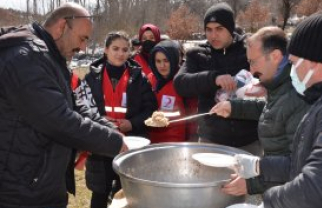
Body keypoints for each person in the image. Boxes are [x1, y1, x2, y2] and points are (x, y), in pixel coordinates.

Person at [230, 11, 322, 208]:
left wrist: (270, 201)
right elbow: (303, 163)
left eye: (294, 63)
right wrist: (258, 166)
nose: (292, 70)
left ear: (313, 60)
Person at [0, 2, 128, 208]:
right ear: (61, 27)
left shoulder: (51, 58)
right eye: (82, 38)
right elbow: (59, 120)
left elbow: (76, 104)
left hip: (41, 183)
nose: (84, 47)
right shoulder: (26, 59)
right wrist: (113, 142)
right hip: (20, 190)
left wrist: (109, 129)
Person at [210, 26, 310, 196]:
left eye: (253, 62)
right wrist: (233, 107)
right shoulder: (278, 86)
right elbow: (272, 110)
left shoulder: (296, 94)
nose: (250, 71)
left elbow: (299, 165)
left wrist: (253, 184)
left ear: (275, 56)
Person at [82, 31, 157, 208]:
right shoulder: (91, 77)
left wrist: (132, 123)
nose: (120, 53)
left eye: (125, 49)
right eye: (115, 48)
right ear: (106, 50)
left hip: (130, 145)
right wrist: (100, 120)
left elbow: (150, 108)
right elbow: (82, 108)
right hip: (101, 145)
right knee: (100, 194)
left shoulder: (139, 78)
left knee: (130, 195)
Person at [174, 2, 259, 154]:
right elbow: (180, 83)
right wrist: (213, 78)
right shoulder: (197, 54)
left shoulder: (248, 50)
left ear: (231, 29)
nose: (213, 35)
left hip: (249, 141)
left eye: (219, 29)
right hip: (211, 140)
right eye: (209, 30)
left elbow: (269, 76)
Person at [147, 40, 187, 143]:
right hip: (152, 140)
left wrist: (192, 138)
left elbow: (192, 112)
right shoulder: (149, 80)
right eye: (158, 61)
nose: (162, 65)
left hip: (176, 141)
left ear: (174, 60)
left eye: (166, 60)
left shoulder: (183, 81)